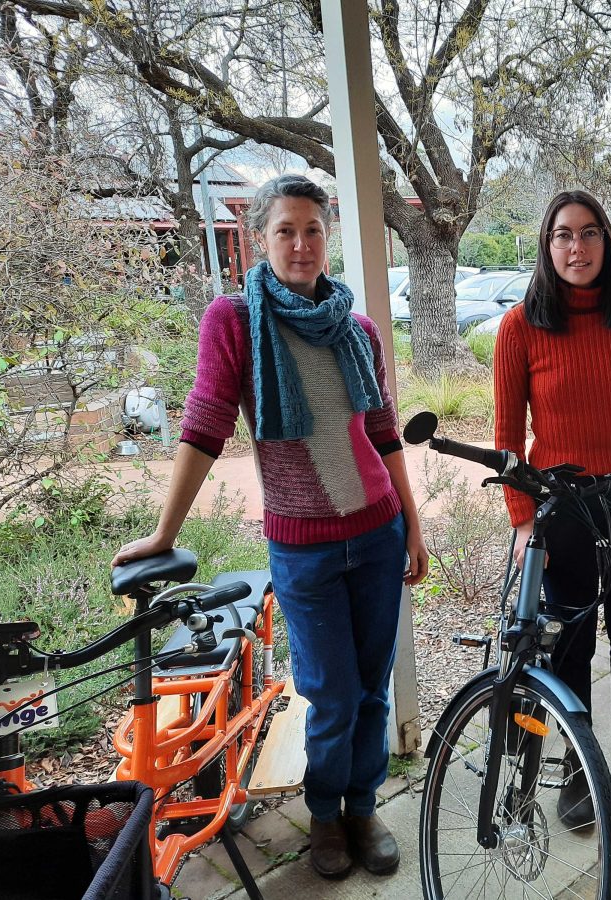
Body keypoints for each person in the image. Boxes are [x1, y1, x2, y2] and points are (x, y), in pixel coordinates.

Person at [112, 174, 428, 880]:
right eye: (285, 230)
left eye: (313, 230)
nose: (301, 244)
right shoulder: (235, 321)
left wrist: (413, 525)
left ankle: (361, 806)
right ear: (261, 238)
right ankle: (324, 815)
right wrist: (164, 534)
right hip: (304, 547)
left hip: (377, 536)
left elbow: (382, 434)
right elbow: (203, 425)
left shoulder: (359, 329)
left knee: (372, 687)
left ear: (328, 235)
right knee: (333, 692)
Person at [494, 190, 611, 827]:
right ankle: (578, 761)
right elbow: (507, 438)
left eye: (590, 233)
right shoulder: (521, 325)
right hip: (560, 504)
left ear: (607, 242)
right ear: (547, 246)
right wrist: (522, 519)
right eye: (564, 235)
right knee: (569, 639)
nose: (577, 247)